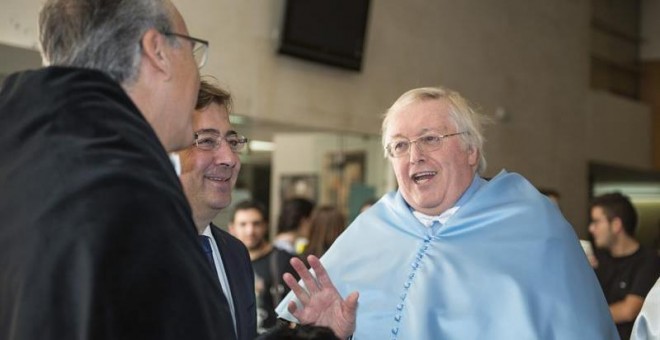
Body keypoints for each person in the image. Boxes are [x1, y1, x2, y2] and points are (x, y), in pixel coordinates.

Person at [275, 87, 618, 339]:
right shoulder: (370, 230)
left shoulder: (533, 223)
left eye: (430, 139)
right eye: (400, 145)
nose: (415, 156)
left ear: (471, 150)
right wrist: (334, 336)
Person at [0, 0, 237, 339]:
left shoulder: (25, 161)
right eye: (191, 51)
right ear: (157, 51)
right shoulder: (127, 196)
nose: (196, 74)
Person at [177, 80, 256, 340]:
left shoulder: (236, 254)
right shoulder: (129, 253)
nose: (230, 159)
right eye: (208, 141)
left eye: (232, 142)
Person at [589, 192, 660, 339]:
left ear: (616, 225)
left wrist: (585, 317)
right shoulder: (598, 259)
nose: (591, 228)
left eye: (596, 222)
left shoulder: (648, 260)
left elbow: (630, 310)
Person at [228, 200, 296, 334]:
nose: (250, 231)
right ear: (232, 228)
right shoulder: (226, 260)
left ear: (266, 226)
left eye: (256, 223)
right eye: (243, 224)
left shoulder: (283, 260)